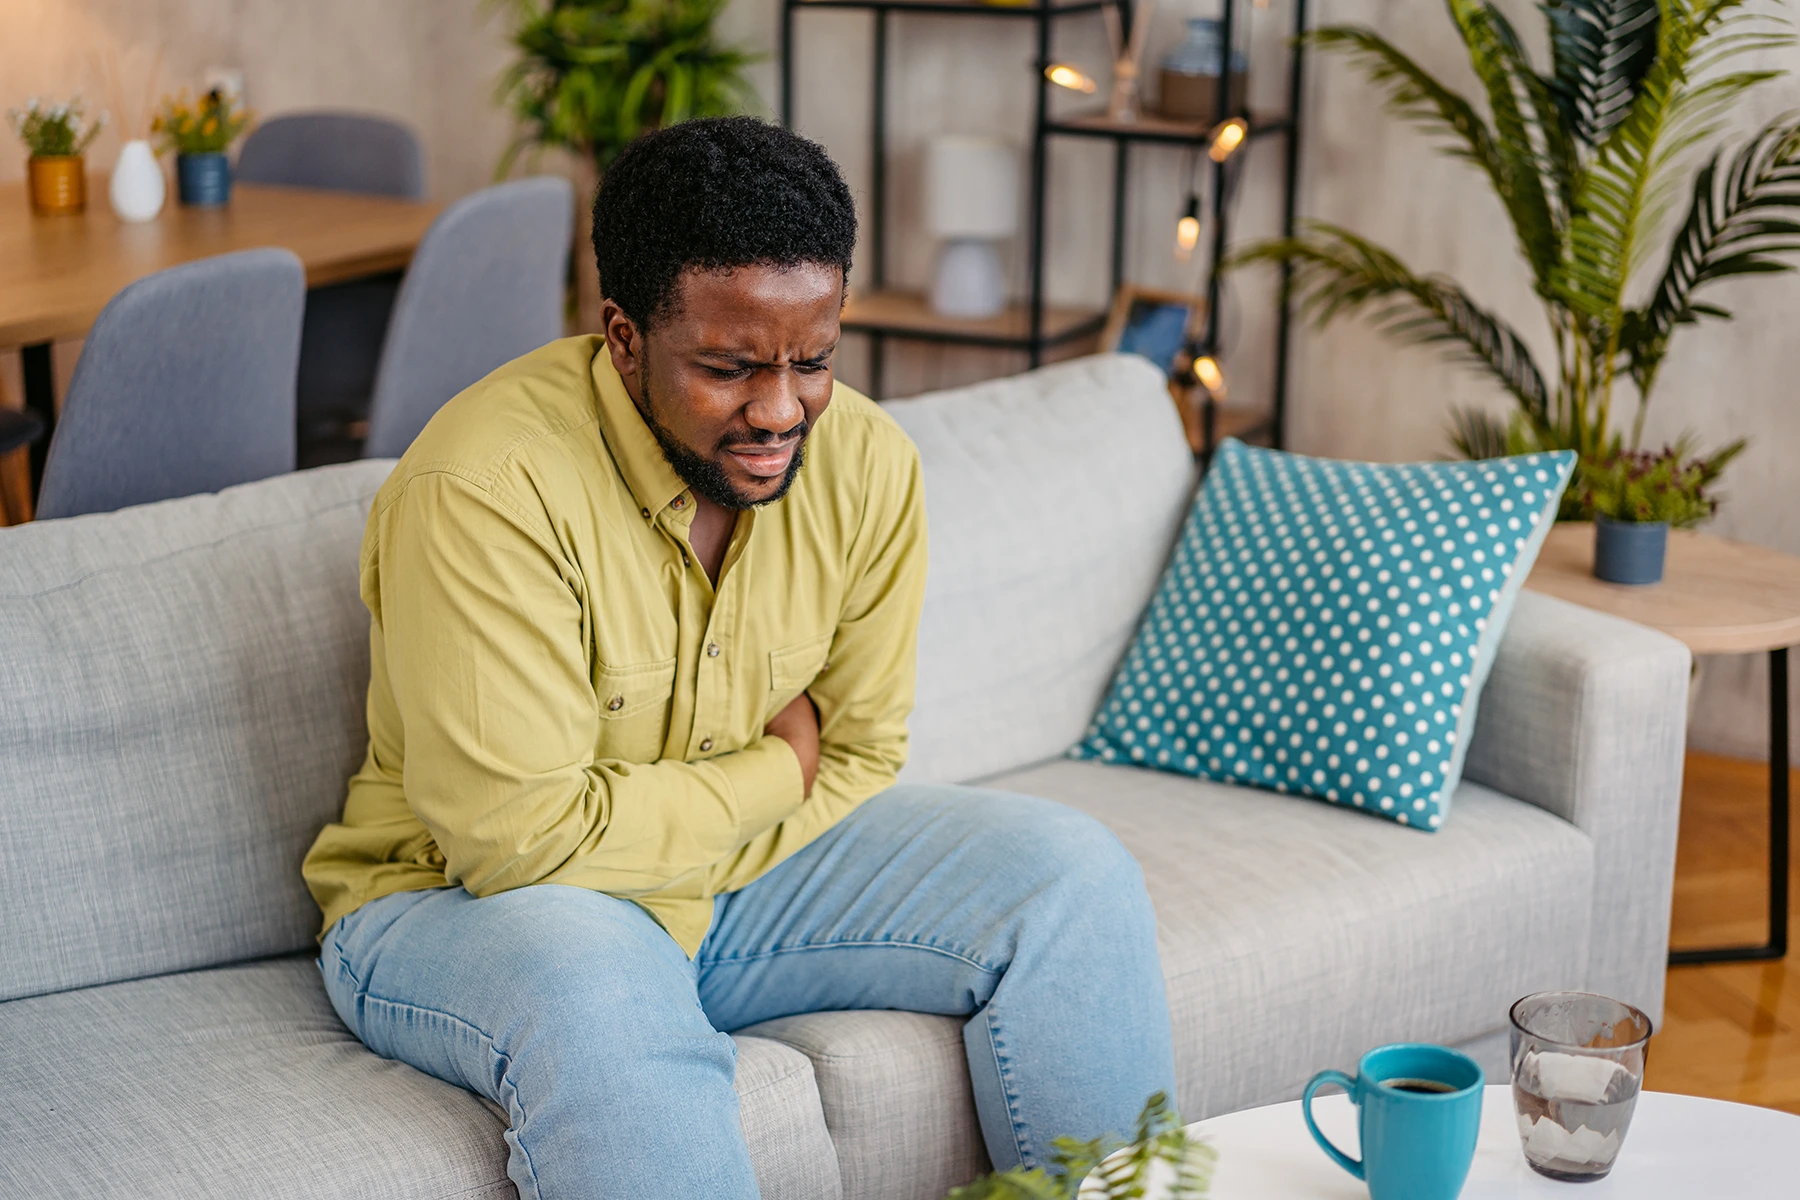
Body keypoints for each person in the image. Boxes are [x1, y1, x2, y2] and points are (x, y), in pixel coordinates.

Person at [301, 116, 1175, 1199]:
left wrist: (732, 823)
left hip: (736, 883)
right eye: (727, 367)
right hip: (455, 908)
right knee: (605, 987)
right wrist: (773, 769)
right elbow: (516, 842)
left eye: (813, 360)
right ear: (623, 337)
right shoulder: (485, 492)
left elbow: (860, 751)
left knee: (1073, 876)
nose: (780, 410)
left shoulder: (867, 466)